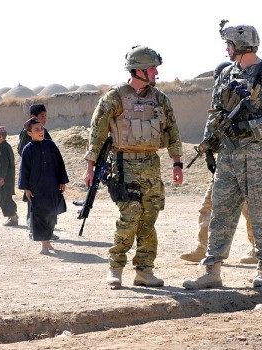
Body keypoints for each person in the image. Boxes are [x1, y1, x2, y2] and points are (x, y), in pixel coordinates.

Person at [183, 21, 262, 290]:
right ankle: (212, 271)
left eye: (229, 44)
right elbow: (215, 113)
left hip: (258, 157)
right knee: (221, 213)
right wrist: (209, 146)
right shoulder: (225, 75)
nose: (226, 49)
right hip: (228, 158)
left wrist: (249, 128)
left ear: (241, 46)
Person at [83, 45, 183, 288]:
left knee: (149, 220)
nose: (156, 73)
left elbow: (172, 131)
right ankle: (115, 268)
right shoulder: (114, 98)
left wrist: (177, 163)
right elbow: (97, 133)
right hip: (124, 166)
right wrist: (90, 166)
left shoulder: (160, 99)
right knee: (130, 216)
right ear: (137, 70)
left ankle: (144, 271)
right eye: (152, 69)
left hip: (152, 165)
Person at [180, 61, 262, 264]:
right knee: (209, 207)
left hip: (250, 166)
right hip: (225, 166)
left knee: (253, 210)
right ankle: (204, 248)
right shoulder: (223, 106)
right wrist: (209, 152)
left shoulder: (254, 101)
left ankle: (258, 251)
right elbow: (214, 129)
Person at [18, 118, 69, 254]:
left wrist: (62, 181)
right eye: (36, 130)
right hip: (37, 189)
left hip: (52, 186)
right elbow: (24, 170)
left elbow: (60, 164)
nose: (41, 132)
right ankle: (44, 244)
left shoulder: (51, 146)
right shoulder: (27, 150)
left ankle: (48, 241)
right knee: (39, 216)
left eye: (41, 129)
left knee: (52, 214)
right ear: (29, 133)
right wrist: (26, 188)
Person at [0, 126, 18, 226]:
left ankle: (13, 217)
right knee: (5, 196)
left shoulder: (3, 148)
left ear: (0, 137)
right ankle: (13, 214)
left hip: (5, 179)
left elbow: (3, 163)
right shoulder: (4, 146)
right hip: (7, 178)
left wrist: (1, 177)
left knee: (3, 196)